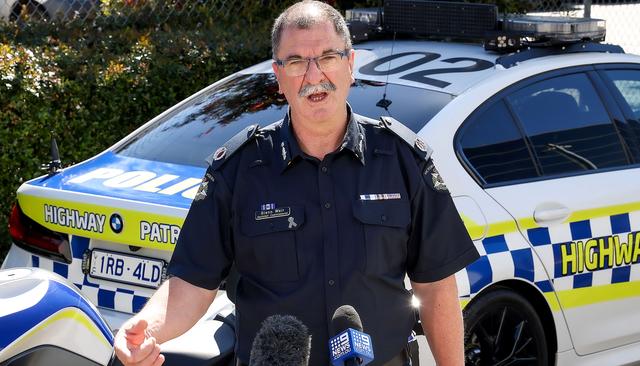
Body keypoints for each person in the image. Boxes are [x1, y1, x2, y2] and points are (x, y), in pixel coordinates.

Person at [113, 1, 479, 365]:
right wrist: (148, 328)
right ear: (278, 76)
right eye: (297, 61)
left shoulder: (402, 160)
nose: (314, 74)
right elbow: (191, 285)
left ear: (350, 65)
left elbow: (435, 289)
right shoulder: (238, 171)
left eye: (328, 57)